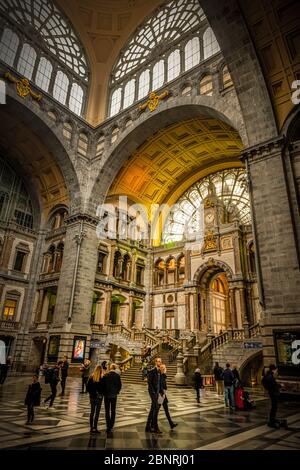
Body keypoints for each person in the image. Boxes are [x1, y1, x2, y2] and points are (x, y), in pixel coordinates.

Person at [102, 363, 122, 435]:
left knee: (107, 411)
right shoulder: (117, 376)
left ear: (110, 368)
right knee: (113, 410)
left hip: (106, 396)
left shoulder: (105, 375)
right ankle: (111, 425)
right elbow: (120, 385)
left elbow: (103, 385)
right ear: (115, 368)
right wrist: (117, 391)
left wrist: (104, 393)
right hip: (114, 395)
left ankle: (108, 426)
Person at [145, 356, 163, 434]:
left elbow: (159, 382)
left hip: (157, 392)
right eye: (158, 361)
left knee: (153, 409)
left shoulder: (159, 371)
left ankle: (148, 427)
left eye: (160, 361)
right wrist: (153, 392)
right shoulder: (152, 371)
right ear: (156, 362)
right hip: (153, 393)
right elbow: (149, 382)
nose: (159, 363)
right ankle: (155, 427)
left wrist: (161, 391)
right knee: (155, 409)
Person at [86, 365, 104, 433]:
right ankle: (95, 428)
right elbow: (103, 388)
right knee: (97, 413)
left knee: (92, 412)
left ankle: (91, 428)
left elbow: (87, 388)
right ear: (101, 370)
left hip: (92, 397)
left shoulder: (91, 377)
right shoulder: (102, 378)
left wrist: (92, 393)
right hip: (99, 398)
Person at [159, 364, 177, 429]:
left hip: (163, 395)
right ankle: (152, 424)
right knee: (156, 411)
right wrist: (162, 393)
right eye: (164, 368)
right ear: (162, 369)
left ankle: (171, 424)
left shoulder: (163, 376)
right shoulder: (161, 376)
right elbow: (161, 385)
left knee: (166, 410)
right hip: (161, 395)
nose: (165, 369)